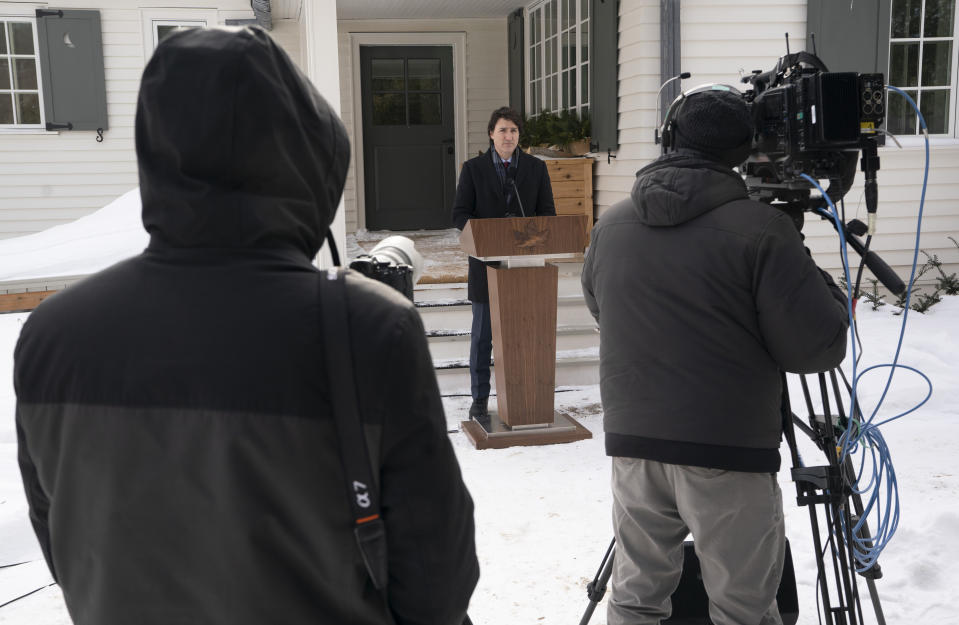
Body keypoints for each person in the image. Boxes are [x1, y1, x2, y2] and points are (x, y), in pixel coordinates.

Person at [15, 26, 478, 625]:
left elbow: (66, 547)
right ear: (306, 156)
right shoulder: (367, 330)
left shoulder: (52, 336)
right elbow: (437, 582)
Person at [580, 88, 850, 625]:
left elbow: (603, 309)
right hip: (727, 450)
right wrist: (823, 288)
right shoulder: (763, 230)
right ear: (744, 151)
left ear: (669, 138)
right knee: (742, 608)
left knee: (635, 598)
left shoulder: (610, 226)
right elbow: (817, 348)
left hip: (635, 446)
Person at [451, 106, 556, 419]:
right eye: (503, 130)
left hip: (525, 268)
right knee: (483, 336)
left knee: (526, 334)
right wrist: (488, 232)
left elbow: (547, 214)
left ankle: (528, 400)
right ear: (491, 134)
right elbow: (459, 214)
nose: (508, 136)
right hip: (485, 265)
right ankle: (480, 399)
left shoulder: (536, 168)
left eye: (513, 130)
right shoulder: (473, 169)